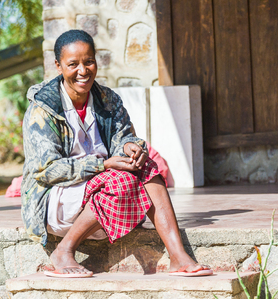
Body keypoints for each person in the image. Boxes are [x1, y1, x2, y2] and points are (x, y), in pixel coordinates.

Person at [21, 29, 212, 278]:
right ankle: (64, 250)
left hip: (103, 191)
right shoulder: (42, 110)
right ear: (58, 66)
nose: (83, 70)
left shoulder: (107, 99)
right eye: (73, 64)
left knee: (147, 167)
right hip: (56, 199)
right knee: (119, 180)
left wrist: (131, 148)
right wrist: (102, 165)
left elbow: (124, 138)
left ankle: (178, 256)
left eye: (89, 61)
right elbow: (45, 171)